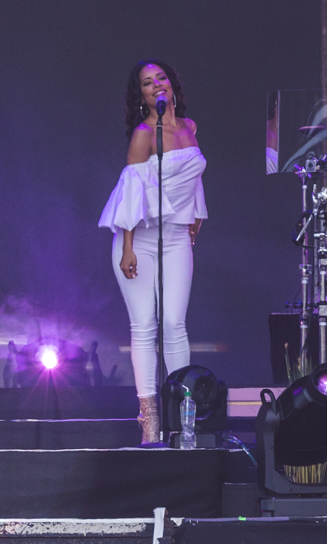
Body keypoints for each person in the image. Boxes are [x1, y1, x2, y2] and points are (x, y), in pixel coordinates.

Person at [99, 60, 207, 445]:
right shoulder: (145, 134)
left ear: (172, 84)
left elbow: (193, 177)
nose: (156, 85)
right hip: (140, 238)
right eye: (147, 83)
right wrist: (127, 247)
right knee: (144, 327)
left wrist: (197, 216)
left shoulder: (190, 127)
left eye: (160, 77)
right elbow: (132, 192)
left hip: (177, 235)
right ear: (141, 95)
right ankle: (150, 423)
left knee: (175, 325)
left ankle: (185, 417)